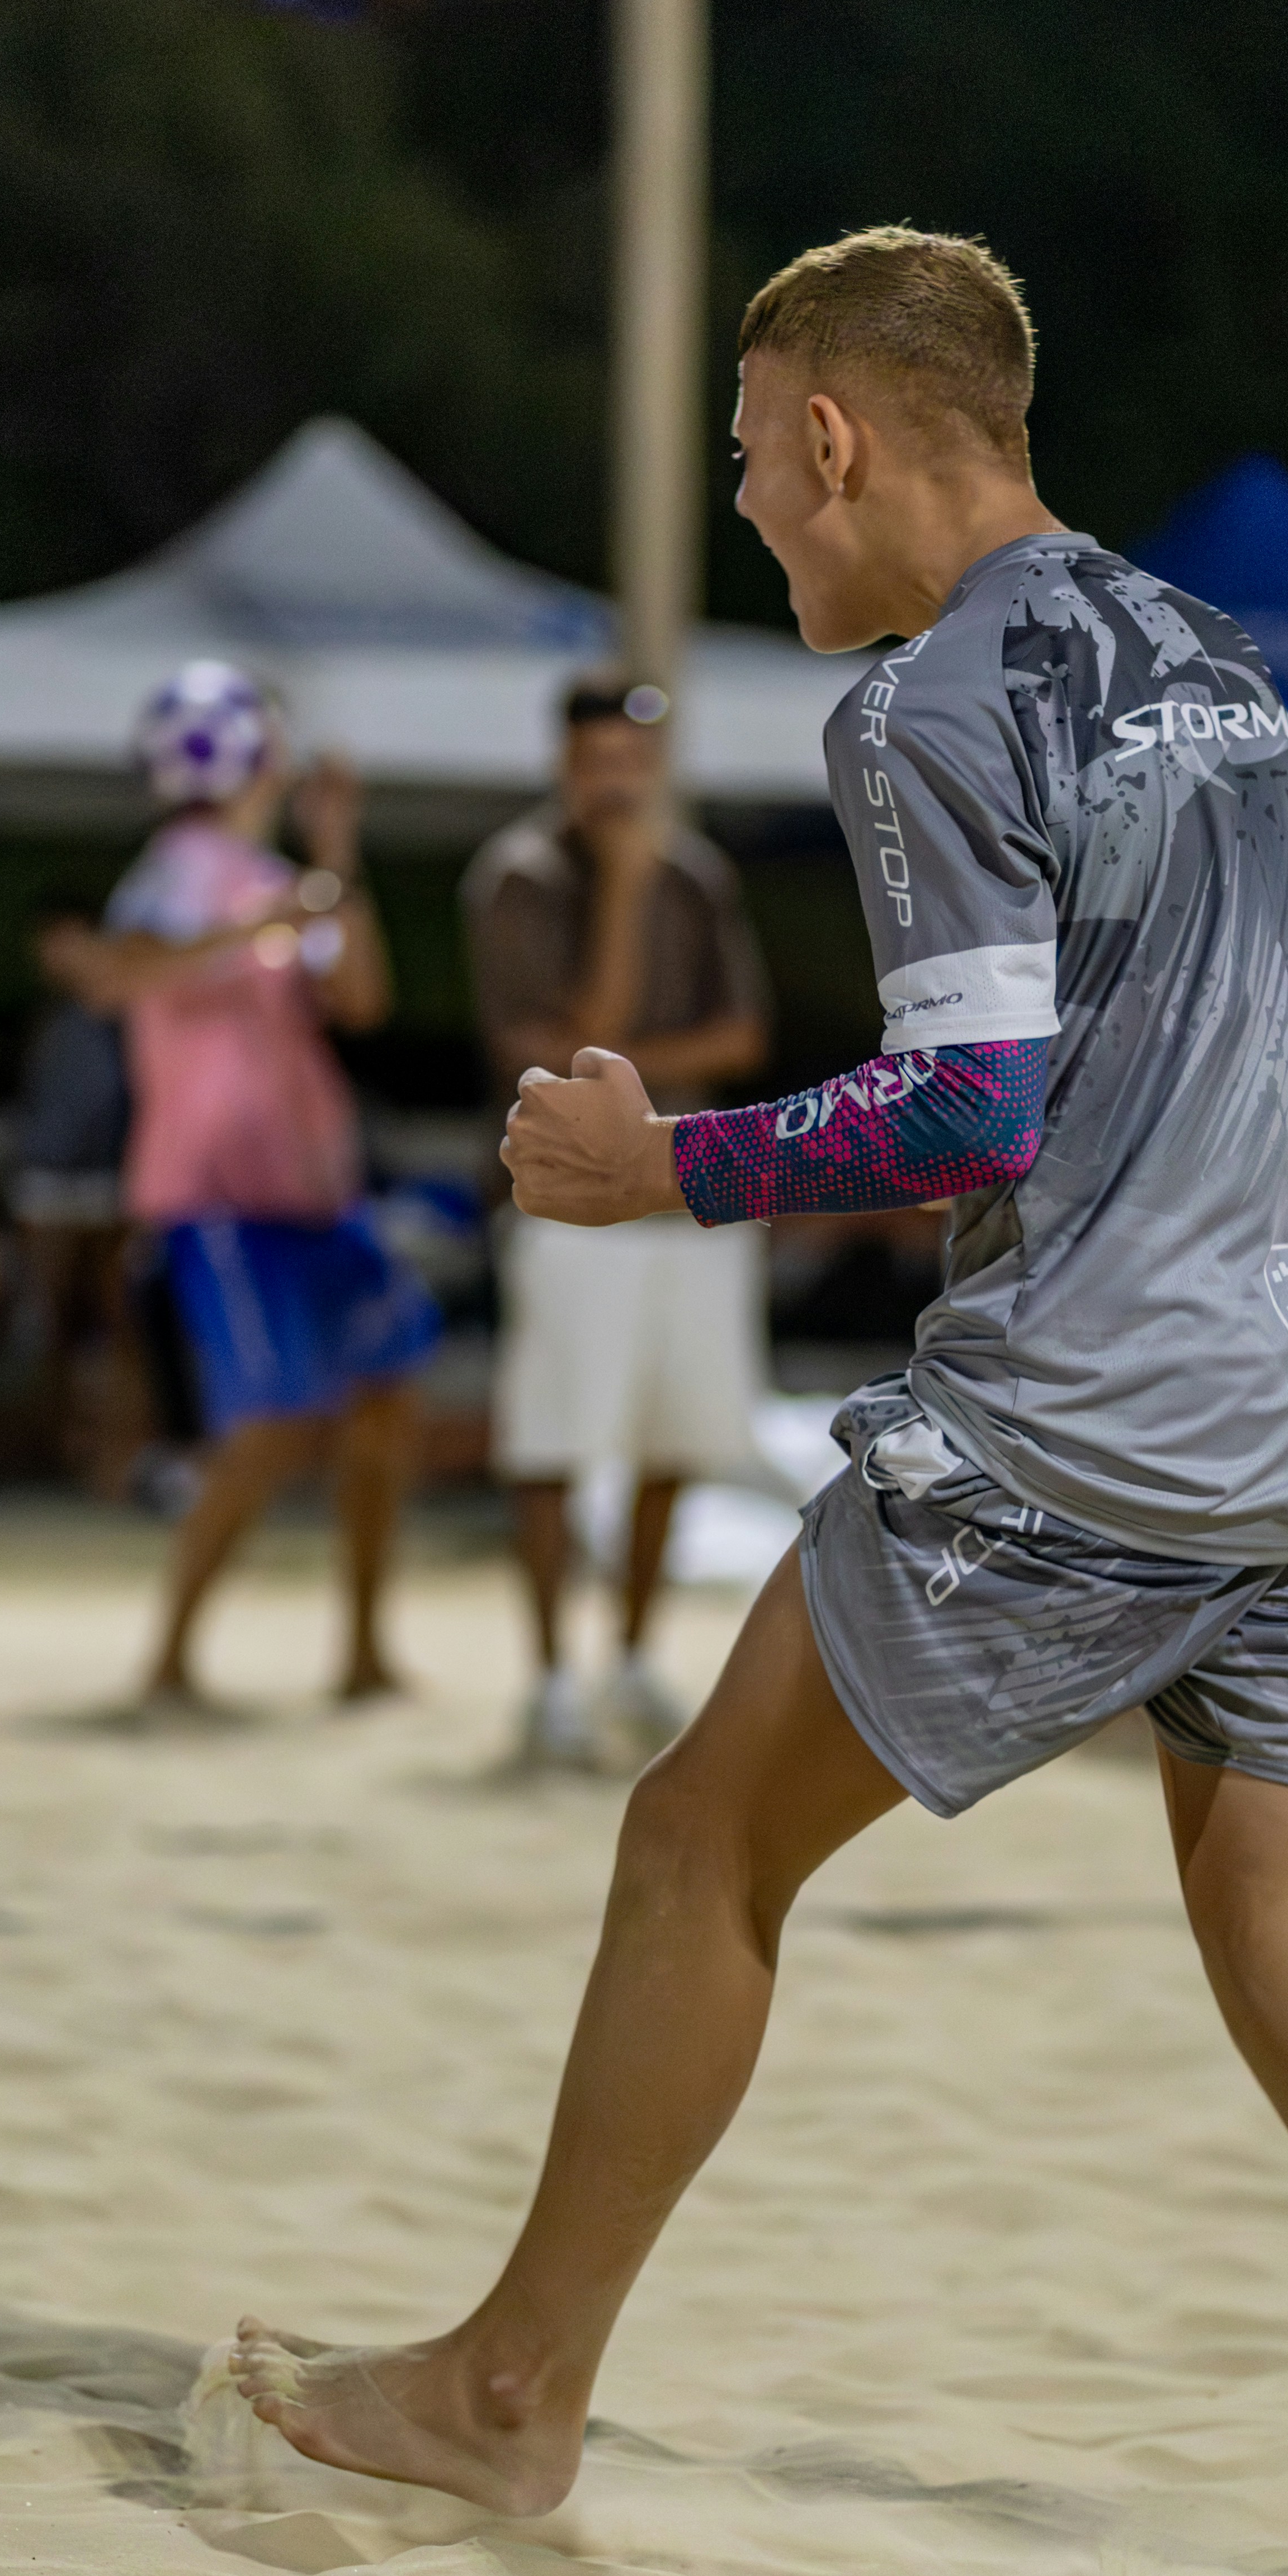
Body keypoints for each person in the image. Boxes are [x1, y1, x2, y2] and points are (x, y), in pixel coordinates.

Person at [232, 228, 1288, 2576]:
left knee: (693, 1839)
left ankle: (505, 2389)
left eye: (755, 459)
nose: (755, 513)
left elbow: (966, 1099)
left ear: (844, 433)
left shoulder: (924, 706)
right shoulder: (1206, 651)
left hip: (1096, 1425)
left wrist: (650, 1165)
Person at [68, 664, 438, 1707]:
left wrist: (331, 862)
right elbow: (124, 967)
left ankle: (360, 1651)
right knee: (272, 1424)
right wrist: (278, 913)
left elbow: (360, 997)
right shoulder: (181, 866)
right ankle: (171, 1655)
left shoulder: (267, 875)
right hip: (217, 1196)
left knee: (383, 1398)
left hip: (311, 1193)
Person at [463, 680, 770, 1768]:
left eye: (632, 757)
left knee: (673, 1436)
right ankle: (548, 1676)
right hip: (568, 1203)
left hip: (685, 1196)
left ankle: (633, 1655)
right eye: (597, 758)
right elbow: (575, 1043)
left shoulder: (699, 875)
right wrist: (628, 897)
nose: (616, 780)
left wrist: (637, 1088)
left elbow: (742, 1035)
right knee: (551, 1438)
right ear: (565, 761)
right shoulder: (522, 878)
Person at [3, 904, 146, 1497]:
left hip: (116, 1186)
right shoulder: (47, 1019)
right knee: (49, 1327)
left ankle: (114, 1462)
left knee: (118, 1329)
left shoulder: (135, 1013)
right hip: (47, 1186)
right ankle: (52, 1460)